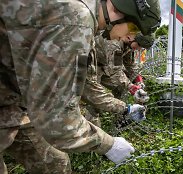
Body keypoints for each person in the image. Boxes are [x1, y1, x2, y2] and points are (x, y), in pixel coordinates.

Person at [0, 0, 161, 173]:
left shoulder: (86, 20)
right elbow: (57, 119)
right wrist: (108, 144)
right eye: (133, 29)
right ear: (117, 10)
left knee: (56, 163)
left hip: (13, 100)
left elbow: (87, 85)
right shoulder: (77, 21)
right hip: (13, 99)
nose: (131, 37)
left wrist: (128, 101)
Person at [82, 22, 155, 128]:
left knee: (120, 88)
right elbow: (115, 72)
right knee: (95, 97)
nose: (139, 49)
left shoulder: (130, 44)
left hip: (105, 66)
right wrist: (132, 88)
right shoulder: (114, 44)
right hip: (92, 65)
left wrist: (139, 80)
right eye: (139, 46)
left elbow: (130, 64)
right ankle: (92, 128)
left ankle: (120, 118)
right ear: (131, 37)